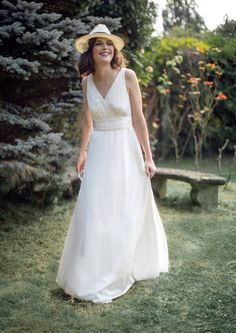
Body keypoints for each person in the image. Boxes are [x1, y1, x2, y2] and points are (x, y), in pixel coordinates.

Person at [56, 24, 169, 304]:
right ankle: (90, 269)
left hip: (125, 148)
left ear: (115, 50)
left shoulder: (128, 76)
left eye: (109, 44)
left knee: (123, 208)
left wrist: (148, 156)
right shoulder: (86, 82)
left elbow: (138, 119)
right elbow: (88, 120)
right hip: (100, 150)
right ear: (90, 52)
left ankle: (122, 264)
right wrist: (82, 152)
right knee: (94, 207)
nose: (106, 48)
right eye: (99, 45)